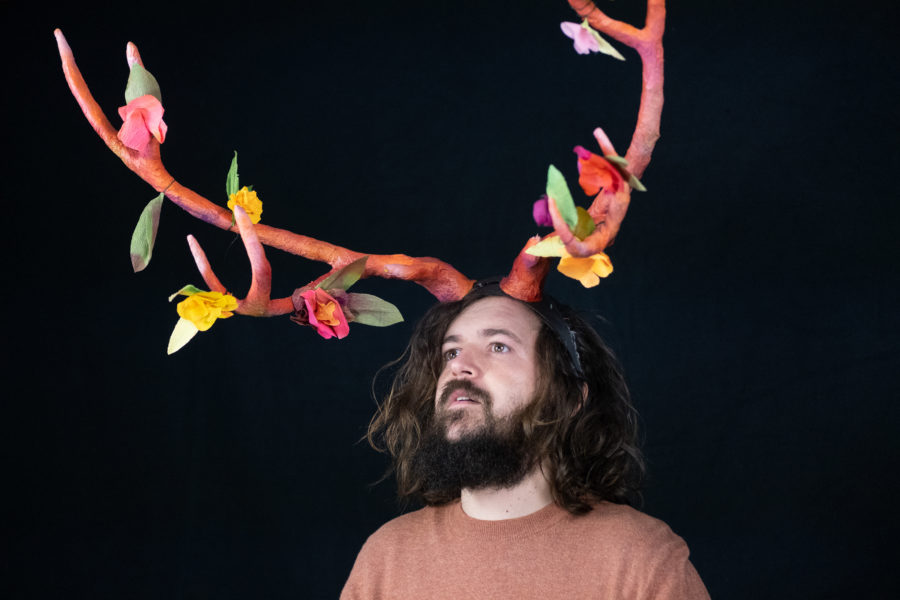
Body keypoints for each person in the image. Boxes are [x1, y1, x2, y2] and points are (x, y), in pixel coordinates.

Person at [341, 282, 709, 599]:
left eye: (498, 346)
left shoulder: (641, 559)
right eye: (451, 351)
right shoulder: (386, 558)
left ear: (565, 399)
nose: (458, 365)